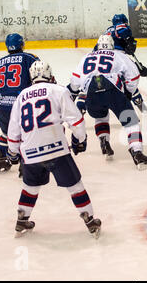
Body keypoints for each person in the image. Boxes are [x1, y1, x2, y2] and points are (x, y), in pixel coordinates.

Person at [6, 60, 101, 238]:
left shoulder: (21, 96)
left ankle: (21, 218)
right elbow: (76, 120)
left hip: (30, 153)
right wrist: (79, 139)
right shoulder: (58, 90)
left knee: (30, 186)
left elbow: (13, 130)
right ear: (50, 74)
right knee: (75, 186)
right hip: (56, 149)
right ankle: (89, 220)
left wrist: (12, 152)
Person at [68, 34, 147, 170]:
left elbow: (74, 82)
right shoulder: (118, 55)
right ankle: (137, 153)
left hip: (91, 92)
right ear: (111, 45)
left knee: (100, 116)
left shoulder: (86, 57)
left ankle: (104, 141)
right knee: (131, 121)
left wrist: (73, 95)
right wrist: (128, 92)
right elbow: (133, 76)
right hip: (111, 88)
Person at [0, 33, 39, 176]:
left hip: (2, 107)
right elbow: (38, 79)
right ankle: (24, 166)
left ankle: (1, 160)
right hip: (20, 104)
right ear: (21, 44)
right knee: (26, 134)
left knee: (6, 133)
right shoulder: (30, 58)